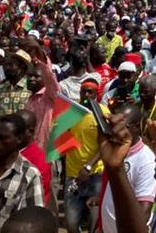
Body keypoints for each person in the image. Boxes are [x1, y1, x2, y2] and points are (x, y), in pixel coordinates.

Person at [97, 103, 156, 233]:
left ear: (136, 128)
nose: (115, 130)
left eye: (122, 126)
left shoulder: (146, 160)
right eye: (113, 125)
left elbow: (143, 213)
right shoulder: (114, 151)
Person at [64, 76, 107, 232]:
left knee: (94, 222)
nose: (87, 95)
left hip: (95, 173)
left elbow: (106, 145)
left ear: (96, 94)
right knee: (71, 222)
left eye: (90, 92)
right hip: (72, 174)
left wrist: (88, 167)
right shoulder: (71, 111)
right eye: (84, 91)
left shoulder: (103, 113)